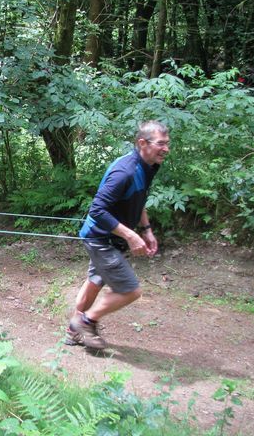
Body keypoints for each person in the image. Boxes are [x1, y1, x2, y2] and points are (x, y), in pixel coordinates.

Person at [66, 120, 170, 350]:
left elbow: (139, 199)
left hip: (111, 237)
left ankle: (73, 331)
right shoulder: (125, 171)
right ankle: (85, 321)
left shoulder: (148, 166)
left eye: (167, 143)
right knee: (130, 290)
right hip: (100, 238)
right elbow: (97, 210)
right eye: (161, 144)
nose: (166, 149)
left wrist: (146, 229)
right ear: (142, 142)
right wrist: (131, 236)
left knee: (95, 281)